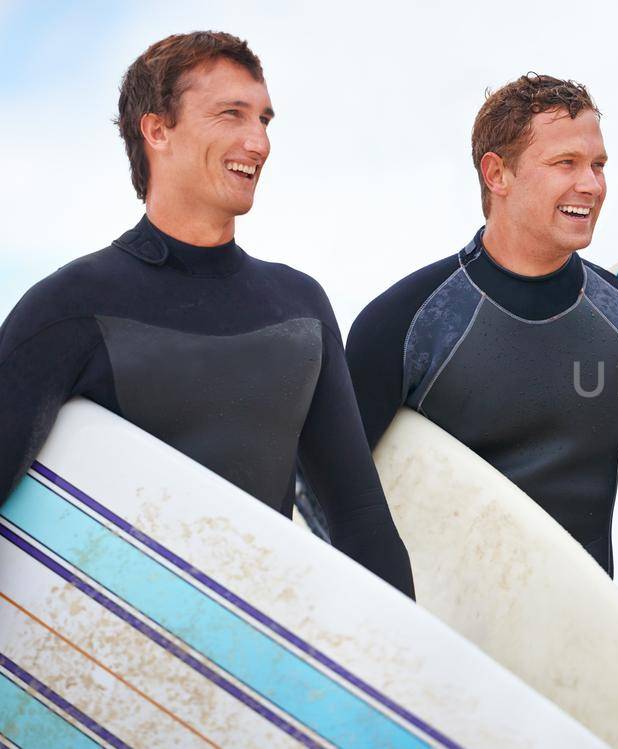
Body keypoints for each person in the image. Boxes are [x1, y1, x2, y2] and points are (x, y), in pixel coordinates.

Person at [344, 73, 618, 747]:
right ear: (498, 173)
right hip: (423, 675)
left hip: (570, 680)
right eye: (566, 164)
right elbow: (331, 499)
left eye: (599, 164)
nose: (591, 184)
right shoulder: (406, 323)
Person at [0, 31, 413, 594]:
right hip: (116, 659)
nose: (258, 142)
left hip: (259, 651)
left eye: (264, 120)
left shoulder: (300, 307)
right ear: (157, 129)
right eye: (232, 115)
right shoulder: (72, 307)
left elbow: (361, 518)